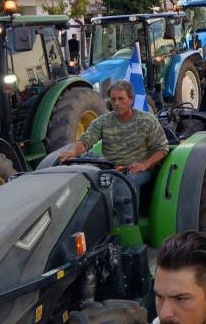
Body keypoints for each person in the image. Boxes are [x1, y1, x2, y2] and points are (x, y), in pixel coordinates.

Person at [59, 80, 168, 222]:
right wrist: (73, 153)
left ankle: (127, 227)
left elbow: (162, 149)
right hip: (112, 168)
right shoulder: (103, 121)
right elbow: (87, 140)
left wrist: (144, 165)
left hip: (139, 169)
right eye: (113, 99)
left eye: (121, 99)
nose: (116, 103)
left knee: (125, 184)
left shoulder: (147, 120)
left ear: (131, 99)